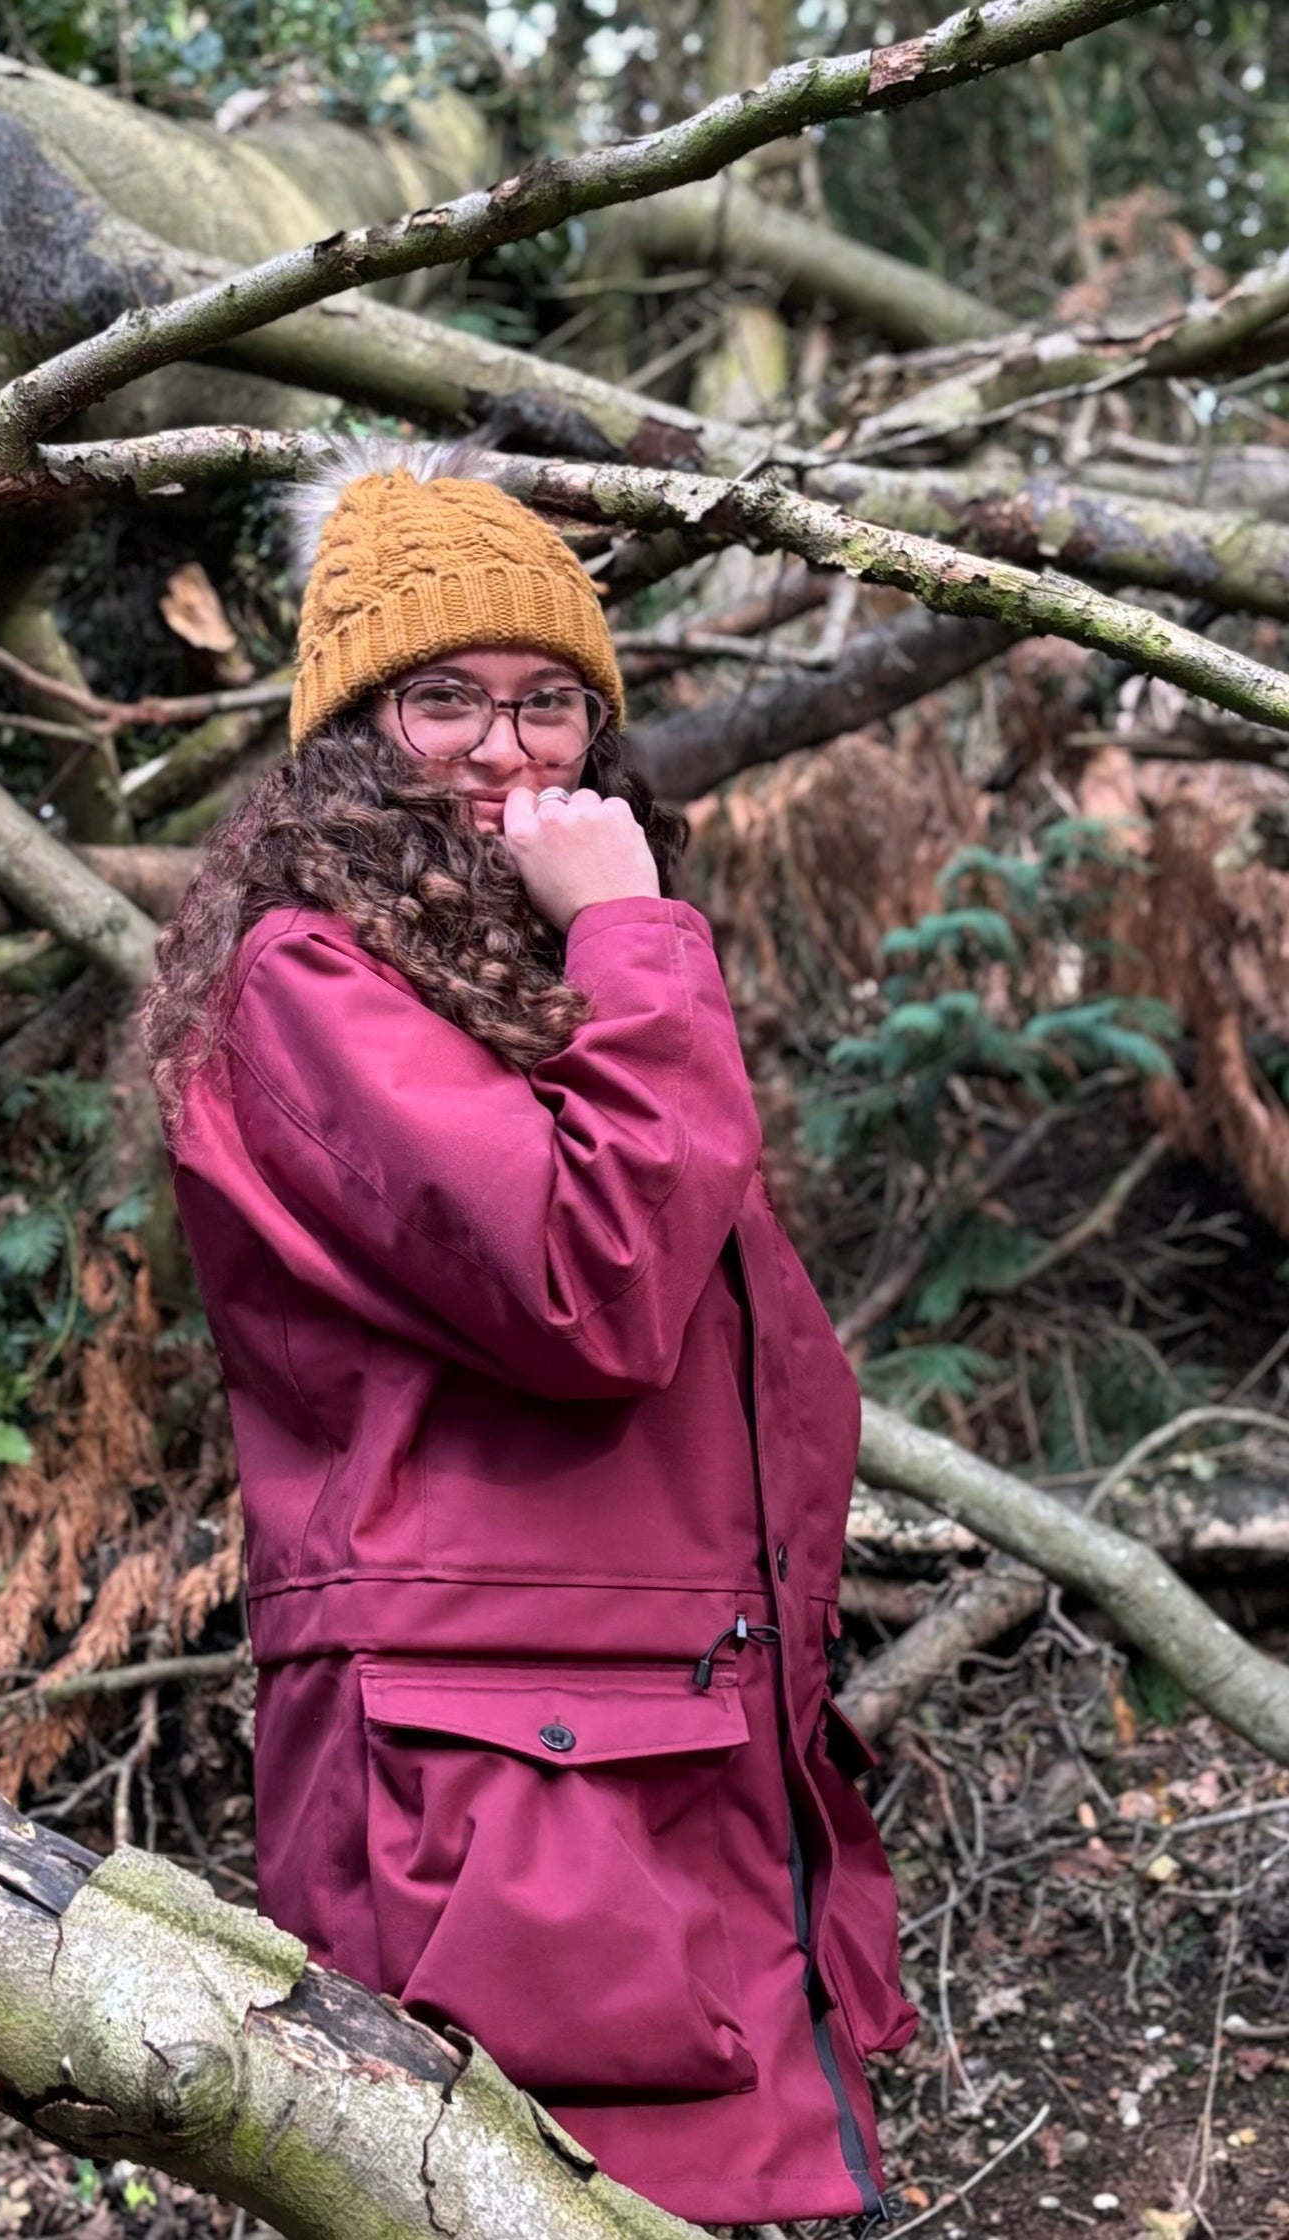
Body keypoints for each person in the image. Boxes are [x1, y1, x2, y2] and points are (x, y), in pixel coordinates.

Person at [145, 440, 916, 2231]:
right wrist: (640, 936)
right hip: (500, 1778)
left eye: (554, 703)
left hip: (640, 1734)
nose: (512, 750)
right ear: (349, 729)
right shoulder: (312, 981)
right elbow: (603, 1283)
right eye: (448, 700)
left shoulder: (514, 972)